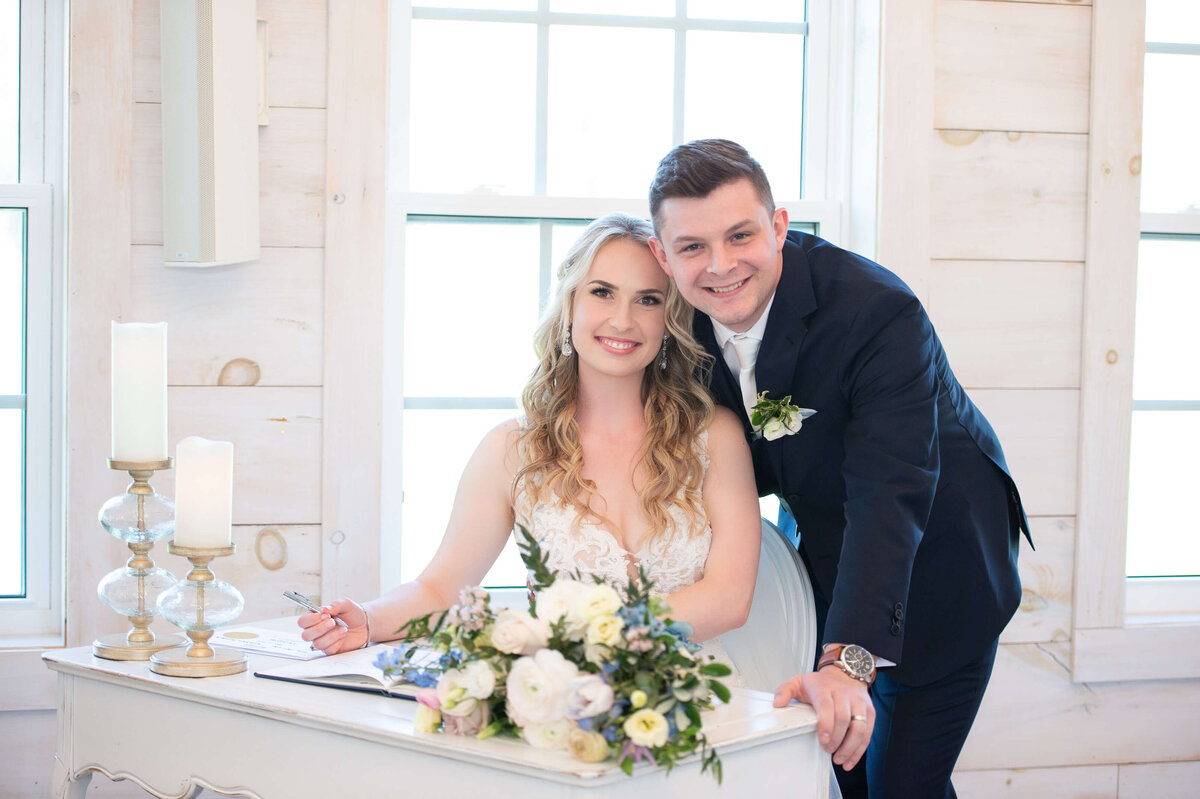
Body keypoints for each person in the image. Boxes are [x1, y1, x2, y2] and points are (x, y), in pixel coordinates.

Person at [647, 139, 1031, 799]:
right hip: (821, 561)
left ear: (779, 226)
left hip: (941, 565)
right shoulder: (675, 321)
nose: (719, 266)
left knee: (901, 787)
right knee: (834, 782)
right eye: (692, 247)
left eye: (741, 235)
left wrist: (848, 662)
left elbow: (891, 493)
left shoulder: (878, 313)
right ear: (662, 253)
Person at [300, 212, 762, 670]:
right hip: (559, 701)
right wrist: (368, 619)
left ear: (670, 319)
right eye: (602, 293)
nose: (622, 320)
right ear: (569, 305)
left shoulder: (713, 435)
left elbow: (729, 600)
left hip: (696, 700)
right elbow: (440, 589)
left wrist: (565, 637)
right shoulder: (513, 449)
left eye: (647, 299)